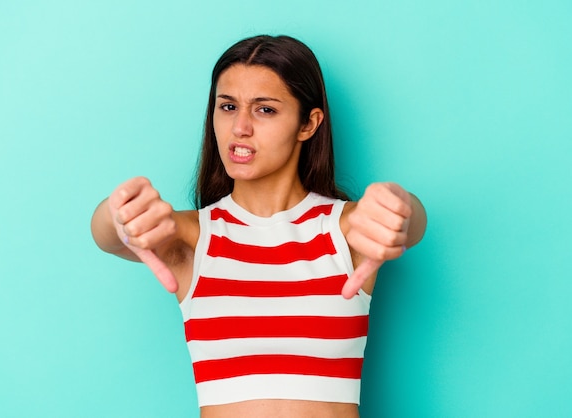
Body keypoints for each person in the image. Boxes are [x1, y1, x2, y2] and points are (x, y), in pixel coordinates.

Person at [91, 34, 427, 418]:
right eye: (228, 106)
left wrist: (400, 210)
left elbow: (410, 223)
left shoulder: (347, 229)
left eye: (265, 110)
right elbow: (108, 236)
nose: (240, 128)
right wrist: (116, 216)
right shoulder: (191, 237)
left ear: (308, 124)